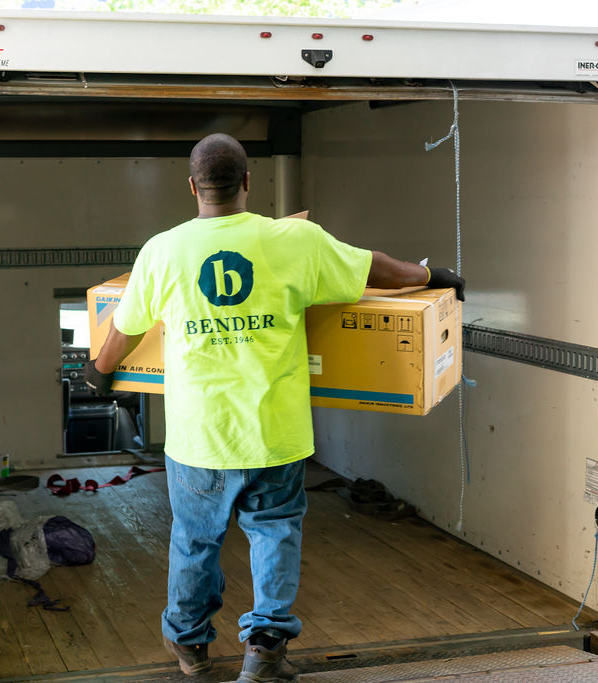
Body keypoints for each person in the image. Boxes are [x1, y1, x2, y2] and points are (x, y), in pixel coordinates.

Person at [86, 133, 464, 682]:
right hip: (275, 434)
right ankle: (265, 650)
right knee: (275, 534)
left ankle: (189, 647)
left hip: (200, 439)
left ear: (192, 187)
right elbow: (373, 268)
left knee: (195, 542)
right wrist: (432, 276)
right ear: (246, 183)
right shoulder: (295, 239)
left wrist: (98, 374)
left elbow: (124, 327)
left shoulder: (162, 250)